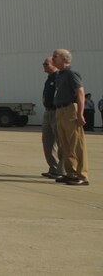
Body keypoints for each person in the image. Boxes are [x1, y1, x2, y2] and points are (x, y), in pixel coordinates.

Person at [52, 48, 88, 185]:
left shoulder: (72, 73)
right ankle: (71, 173)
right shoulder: (60, 74)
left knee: (76, 144)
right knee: (65, 144)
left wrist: (80, 114)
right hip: (60, 110)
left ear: (64, 59)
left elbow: (80, 92)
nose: (53, 58)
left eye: (56, 56)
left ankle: (82, 175)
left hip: (70, 110)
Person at [41, 56, 63, 179]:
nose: (44, 66)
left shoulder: (59, 77)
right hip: (47, 111)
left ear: (54, 65)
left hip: (56, 111)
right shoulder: (49, 78)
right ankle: (53, 168)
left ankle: (62, 170)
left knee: (60, 141)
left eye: (46, 64)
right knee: (47, 141)